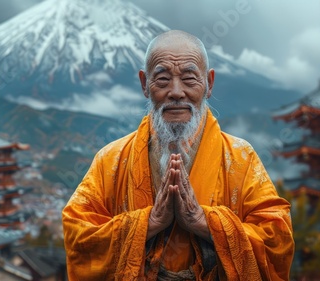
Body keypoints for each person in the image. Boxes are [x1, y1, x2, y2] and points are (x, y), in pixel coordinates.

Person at [62, 30, 294, 280]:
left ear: (209, 83)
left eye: (189, 78)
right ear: (144, 84)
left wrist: (203, 222)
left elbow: (276, 240)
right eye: (162, 79)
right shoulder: (112, 159)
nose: (176, 92)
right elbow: (78, 235)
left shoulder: (240, 158)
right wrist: (148, 223)